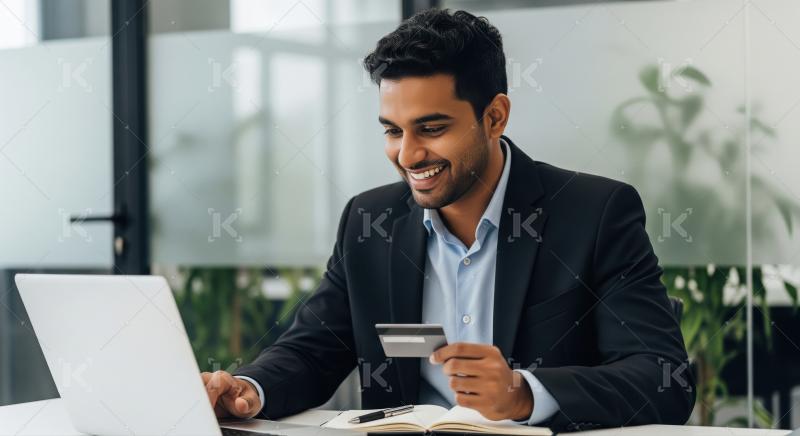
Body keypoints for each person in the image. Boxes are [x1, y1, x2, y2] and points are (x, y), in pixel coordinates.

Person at [202, 9, 695, 432]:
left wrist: (526, 394)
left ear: (495, 117)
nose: (409, 154)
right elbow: (314, 350)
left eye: (432, 128)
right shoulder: (370, 221)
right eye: (393, 131)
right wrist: (249, 388)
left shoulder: (593, 213)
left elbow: (660, 376)